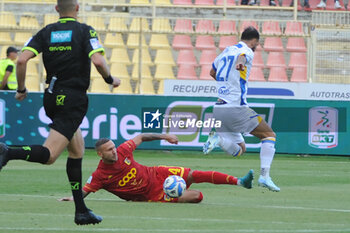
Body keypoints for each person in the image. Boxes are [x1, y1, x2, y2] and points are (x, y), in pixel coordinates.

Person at [0, 0, 120, 225]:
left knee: (77, 150)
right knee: (49, 155)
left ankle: (81, 211)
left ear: (57, 9)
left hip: (52, 96)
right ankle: (8, 152)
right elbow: (97, 60)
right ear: (77, 8)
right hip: (73, 98)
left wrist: (22, 89)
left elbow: (23, 59)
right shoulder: (84, 31)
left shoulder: (46, 32)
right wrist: (110, 79)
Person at [59, 133, 254, 203]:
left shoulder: (123, 150)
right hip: (151, 194)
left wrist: (165, 136)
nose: (114, 151)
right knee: (197, 196)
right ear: (100, 154)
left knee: (193, 174)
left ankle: (239, 181)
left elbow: (141, 136)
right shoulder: (100, 176)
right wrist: (71, 198)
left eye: (113, 147)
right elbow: (84, 192)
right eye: (109, 150)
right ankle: (176, 191)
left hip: (156, 172)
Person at [203, 26, 280, 192]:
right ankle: (265, 176)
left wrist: (227, 85)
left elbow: (212, 71)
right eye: (257, 45)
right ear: (255, 42)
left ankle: (219, 140)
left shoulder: (225, 51)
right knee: (269, 136)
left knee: (239, 150)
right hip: (236, 107)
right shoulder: (247, 51)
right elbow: (242, 58)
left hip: (219, 108)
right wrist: (240, 64)